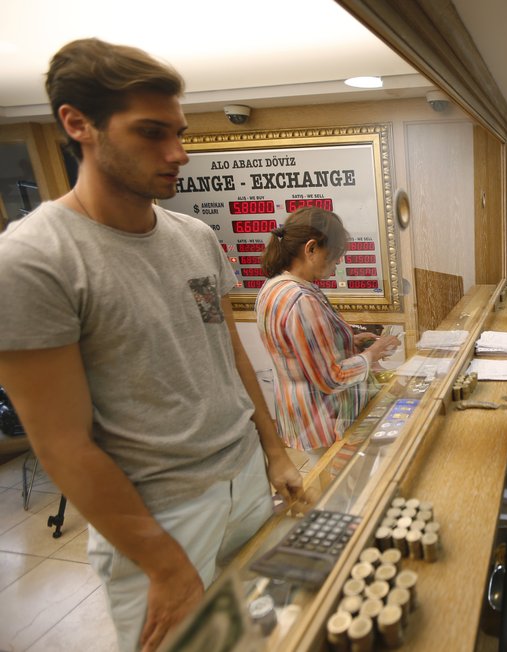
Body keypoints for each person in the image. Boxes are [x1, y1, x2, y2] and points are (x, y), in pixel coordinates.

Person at [0, 38, 307, 651]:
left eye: (179, 131)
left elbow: (229, 356)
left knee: (256, 637)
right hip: (158, 516)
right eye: (151, 133)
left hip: (245, 481)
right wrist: (165, 565)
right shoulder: (32, 259)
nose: (179, 153)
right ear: (77, 123)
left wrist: (273, 450)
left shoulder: (194, 235)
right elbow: (61, 446)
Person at [255, 207, 399, 460]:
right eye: (333, 255)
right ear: (311, 249)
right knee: (343, 493)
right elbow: (331, 378)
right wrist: (372, 353)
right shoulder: (300, 299)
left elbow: (300, 352)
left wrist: (349, 341)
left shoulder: (272, 288)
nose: (337, 262)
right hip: (322, 421)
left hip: (300, 414)